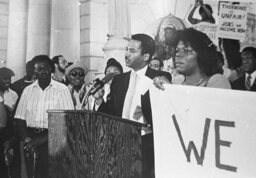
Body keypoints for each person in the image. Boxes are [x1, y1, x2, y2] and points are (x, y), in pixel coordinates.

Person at [93, 33, 172, 178]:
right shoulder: (119, 80)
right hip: (120, 142)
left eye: (132, 51)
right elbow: (110, 112)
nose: (127, 54)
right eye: (127, 50)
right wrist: (99, 101)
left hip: (146, 144)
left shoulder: (159, 78)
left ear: (146, 56)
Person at [15, 55, 74, 178]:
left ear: (51, 69)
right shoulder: (27, 91)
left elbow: (68, 120)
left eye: (46, 68)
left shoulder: (62, 90)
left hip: (53, 140)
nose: (43, 71)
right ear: (34, 71)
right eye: (39, 68)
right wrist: (27, 139)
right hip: (30, 140)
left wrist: (42, 140)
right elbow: (20, 118)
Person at [154, 28, 231, 89]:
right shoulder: (177, 81)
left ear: (202, 55)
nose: (177, 55)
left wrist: (172, 91)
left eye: (186, 50)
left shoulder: (217, 81)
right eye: (177, 50)